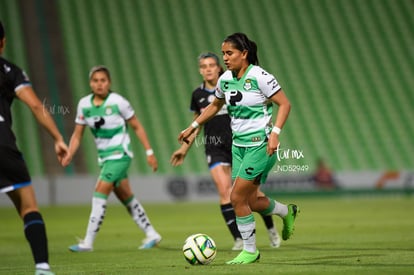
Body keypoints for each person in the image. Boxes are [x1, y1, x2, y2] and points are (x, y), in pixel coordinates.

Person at [178, 33, 299, 264]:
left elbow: (285, 104)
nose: (225, 58)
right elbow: (215, 105)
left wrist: (275, 134)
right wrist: (192, 125)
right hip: (238, 147)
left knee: (235, 198)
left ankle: (250, 250)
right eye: (223, 53)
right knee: (250, 202)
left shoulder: (260, 76)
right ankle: (287, 212)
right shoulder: (225, 80)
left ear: (244, 54)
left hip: (260, 146)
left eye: (229, 53)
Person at [171, 52, 281, 250]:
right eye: (204, 66)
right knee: (225, 192)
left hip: (240, 144)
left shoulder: (231, 85)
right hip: (214, 147)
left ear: (218, 67)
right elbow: (198, 123)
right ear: (200, 70)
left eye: (212, 65)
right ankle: (239, 239)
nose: (208, 69)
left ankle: (271, 229)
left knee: (252, 195)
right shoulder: (198, 95)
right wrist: (184, 148)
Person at [62, 65, 162, 251]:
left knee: (99, 191)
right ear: (90, 83)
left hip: (120, 154)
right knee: (126, 196)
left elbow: (137, 126)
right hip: (105, 158)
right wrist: (70, 152)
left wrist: (149, 152)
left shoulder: (118, 102)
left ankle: (88, 242)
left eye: (103, 80)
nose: (99, 84)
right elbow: (77, 135)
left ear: (109, 83)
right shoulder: (84, 105)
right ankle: (152, 233)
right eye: (95, 81)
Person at [0, 21, 69, 275]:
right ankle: (42, 267)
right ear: (3, 42)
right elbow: (37, 107)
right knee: (29, 208)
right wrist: (58, 138)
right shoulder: (10, 71)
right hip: (3, 146)